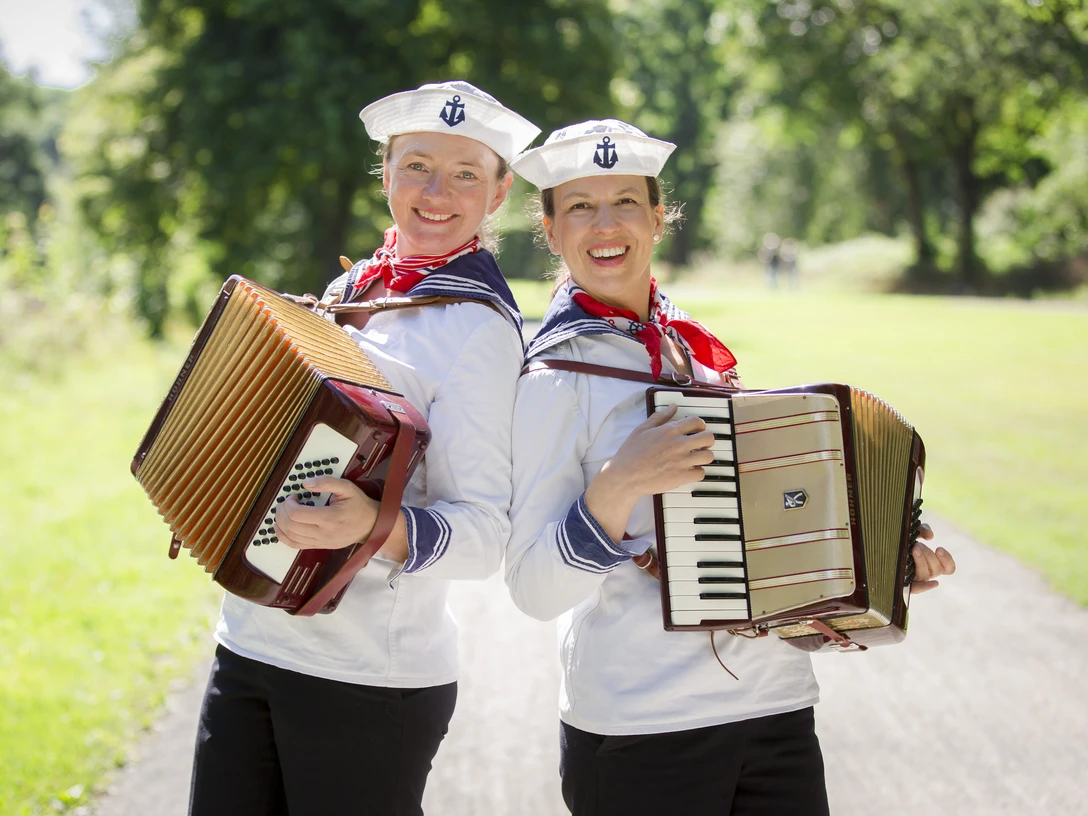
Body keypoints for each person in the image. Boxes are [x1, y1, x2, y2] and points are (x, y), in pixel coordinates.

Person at [504, 120, 956, 816]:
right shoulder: (551, 379)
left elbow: (759, 526)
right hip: (646, 726)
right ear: (552, 226)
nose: (605, 225)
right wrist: (621, 483)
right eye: (581, 206)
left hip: (775, 707)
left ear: (658, 217)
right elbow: (533, 589)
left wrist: (870, 567)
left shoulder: (693, 346)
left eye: (625, 202)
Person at [188, 81, 540, 816]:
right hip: (249, 644)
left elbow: (485, 536)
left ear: (500, 192)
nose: (436, 190)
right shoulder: (352, 288)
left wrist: (373, 527)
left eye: (466, 173)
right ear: (384, 174)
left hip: (365, 680)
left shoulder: (479, 330)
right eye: (416, 165)